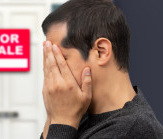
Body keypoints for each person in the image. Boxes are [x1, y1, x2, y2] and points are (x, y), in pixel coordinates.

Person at [40, 0, 163, 138]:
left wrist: (61, 123)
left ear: (101, 51)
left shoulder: (132, 130)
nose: (52, 71)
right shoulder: (78, 115)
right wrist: (53, 115)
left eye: (61, 58)